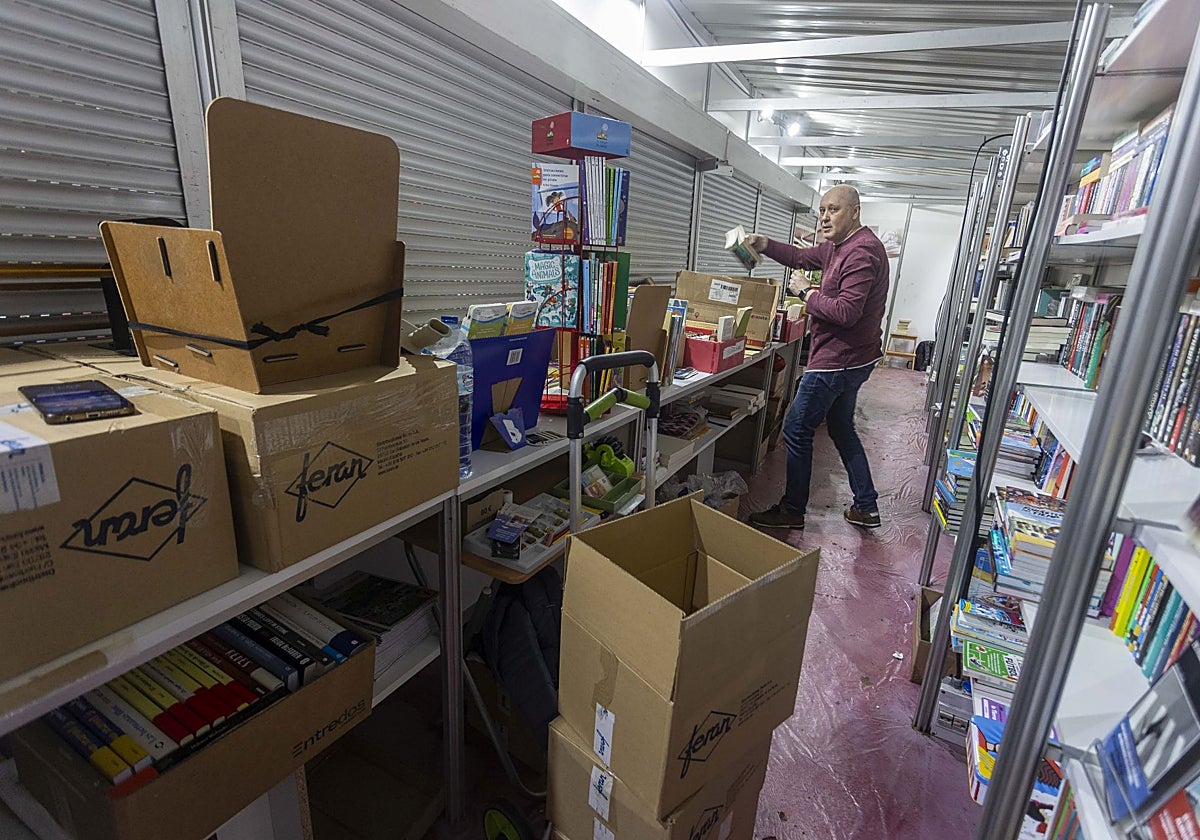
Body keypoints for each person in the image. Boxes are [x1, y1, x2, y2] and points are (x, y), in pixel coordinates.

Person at [744, 184, 889, 531]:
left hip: (840, 359)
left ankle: (793, 509)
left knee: (796, 428)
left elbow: (846, 312)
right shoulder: (838, 247)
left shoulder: (861, 252)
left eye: (833, 209)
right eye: (821, 210)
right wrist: (765, 244)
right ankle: (866, 506)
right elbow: (800, 257)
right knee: (841, 428)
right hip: (853, 357)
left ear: (854, 211)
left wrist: (805, 293)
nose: (824, 216)